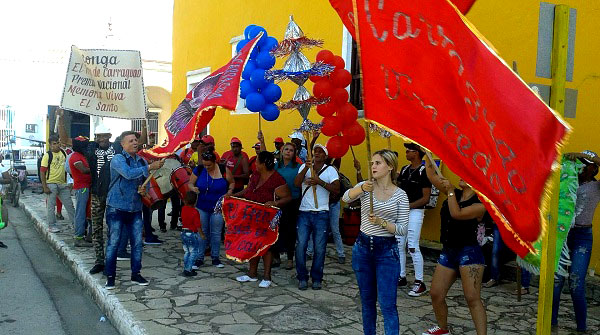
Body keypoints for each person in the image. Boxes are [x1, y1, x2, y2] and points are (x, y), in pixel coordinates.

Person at [342, 149, 409, 335]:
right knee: (367, 302)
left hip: (386, 251)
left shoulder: (400, 195)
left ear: (390, 166)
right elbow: (345, 197)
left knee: (388, 304)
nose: (373, 166)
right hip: (363, 248)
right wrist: (362, 188)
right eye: (372, 163)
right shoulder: (367, 186)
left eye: (378, 163)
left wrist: (381, 222)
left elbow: (403, 228)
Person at [422, 153, 488, 335]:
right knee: (436, 293)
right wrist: (427, 152)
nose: (461, 175)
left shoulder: (481, 203)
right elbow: (431, 175)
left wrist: (450, 190)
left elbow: (457, 213)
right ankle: (443, 329)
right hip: (449, 250)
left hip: (470, 252)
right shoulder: (455, 194)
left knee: (472, 297)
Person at [57, 109, 120, 275]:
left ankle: (112, 261)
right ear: (96, 137)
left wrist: (142, 123)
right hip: (97, 194)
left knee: (114, 229)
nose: (102, 139)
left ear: (110, 136)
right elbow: (64, 140)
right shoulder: (89, 146)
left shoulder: (118, 147)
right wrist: (61, 118)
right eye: (99, 136)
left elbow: (140, 142)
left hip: (114, 195)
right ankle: (100, 261)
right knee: (97, 228)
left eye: (105, 135)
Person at [104, 131, 164, 289]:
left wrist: (145, 191)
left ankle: (136, 274)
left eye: (136, 140)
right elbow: (129, 174)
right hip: (116, 207)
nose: (135, 143)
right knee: (113, 243)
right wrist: (150, 166)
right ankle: (110, 276)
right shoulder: (118, 159)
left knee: (137, 244)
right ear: (122, 144)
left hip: (135, 208)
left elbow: (146, 182)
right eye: (130, 141)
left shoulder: (142, 160)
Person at [552, 150, 600, 333]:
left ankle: (581, 327)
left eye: (584, 163)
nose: (580, 166)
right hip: (563, 235)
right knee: (556, 282)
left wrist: (584, 154)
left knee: (576, 282)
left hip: (583, 237)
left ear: (593, 168)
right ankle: (551, 323)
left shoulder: (596, 188)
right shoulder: (566, 181)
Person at [235, 151, 291, 288]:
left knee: (267, 247)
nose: (255, 164)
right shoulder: (255, 175)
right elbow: (248, 191)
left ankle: (267, 276)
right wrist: (232, 196)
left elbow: (288, 197)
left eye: (257, 161)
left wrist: (275, 203)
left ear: (264, 163)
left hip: (267, 218)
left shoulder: (277, 179)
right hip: (252, 216)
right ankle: (252, 273)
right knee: (253, 244)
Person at [293, 144, 340, 290]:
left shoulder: (330, 170)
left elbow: (337, 189)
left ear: (325, 156)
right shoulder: (304, 167)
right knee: (301, 246)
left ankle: (317, 278)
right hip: (304, 212)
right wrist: (307, 168)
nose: (317, 154)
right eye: (315, 151)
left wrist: (319, 181)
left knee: (320, 248)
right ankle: (302, 277)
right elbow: (296, 183)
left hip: (322, 213)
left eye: (321, 152)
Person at [396, 143, 432, 296]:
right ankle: (401, 275)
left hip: (416, 211)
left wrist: (408, 206)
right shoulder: (404, 170)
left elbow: (425, 198)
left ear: (417, 153)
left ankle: (419, 281)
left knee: (412, 245)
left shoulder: (424, 172)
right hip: (403, 211)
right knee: (399, 243)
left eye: (409, 150)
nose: (406, 152)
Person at [189, 150, 234, 268]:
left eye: (209, 165)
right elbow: (190, 184)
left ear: (215, 162)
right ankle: (199, 258)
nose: (206, 167)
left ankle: (215, 258)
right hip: (202, 206)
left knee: (216, 233)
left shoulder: (223, 170)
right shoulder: (199, 169)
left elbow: (232, 182)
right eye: (204, 164)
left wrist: (229, 192)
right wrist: (193, 189)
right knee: (202, 232)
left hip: (218, 207)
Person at [273, 142, 301, 269]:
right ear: (282, 151)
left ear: (294, 153)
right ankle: (276, 257)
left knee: (290, 230)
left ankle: (290, 258)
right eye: (286, 149)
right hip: (278, 201)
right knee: (276, 229)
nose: (288, 152)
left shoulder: (298, 167)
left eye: (291, 150)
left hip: (293, 201)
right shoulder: (276, 166)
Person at [41, 134, 76, 233]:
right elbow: (42, 171)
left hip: (63, 184)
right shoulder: (47, 155)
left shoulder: (64, 153)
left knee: (69, 205)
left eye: (58, 143)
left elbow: (68, 168)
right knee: (51, 206)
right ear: (50, 145)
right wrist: (44, 186)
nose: (56, 145)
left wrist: (70, 181)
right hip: (51, 183)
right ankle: (52, 225)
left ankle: (75, 224)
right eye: (54, 144)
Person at [68, 136, 92, 247]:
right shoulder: (75, 157)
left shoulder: (81, 156)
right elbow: (83, 170)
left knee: (86, 212)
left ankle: (85, 234)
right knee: (80, 213)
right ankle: (78, 237)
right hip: (82, 188)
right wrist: (98, 167)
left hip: (86, 186)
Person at [180, 190, 205, 277]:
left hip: (183, 232)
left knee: (187, 252)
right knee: (193, 252)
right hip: (191, 233)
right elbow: (198, 225)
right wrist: (202, 234)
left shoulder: (183, 209)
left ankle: (186, 267)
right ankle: (188, 269)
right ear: (195, 201)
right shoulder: (195, 212)